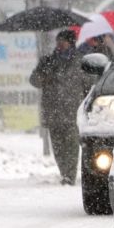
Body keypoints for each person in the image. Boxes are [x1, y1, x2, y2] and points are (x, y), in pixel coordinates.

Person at [30, 29, 89, 185]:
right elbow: (34, 80)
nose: (60, 44)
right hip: (53, 110)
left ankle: (69, 174)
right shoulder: (48, 61)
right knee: (58, 146)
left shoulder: (80, 61)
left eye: (63, 41)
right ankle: (64, 172)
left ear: (71, 43)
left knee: (71, 145)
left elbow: (87, 85)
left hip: (72, 111)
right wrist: (44, 74)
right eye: (58, 41)